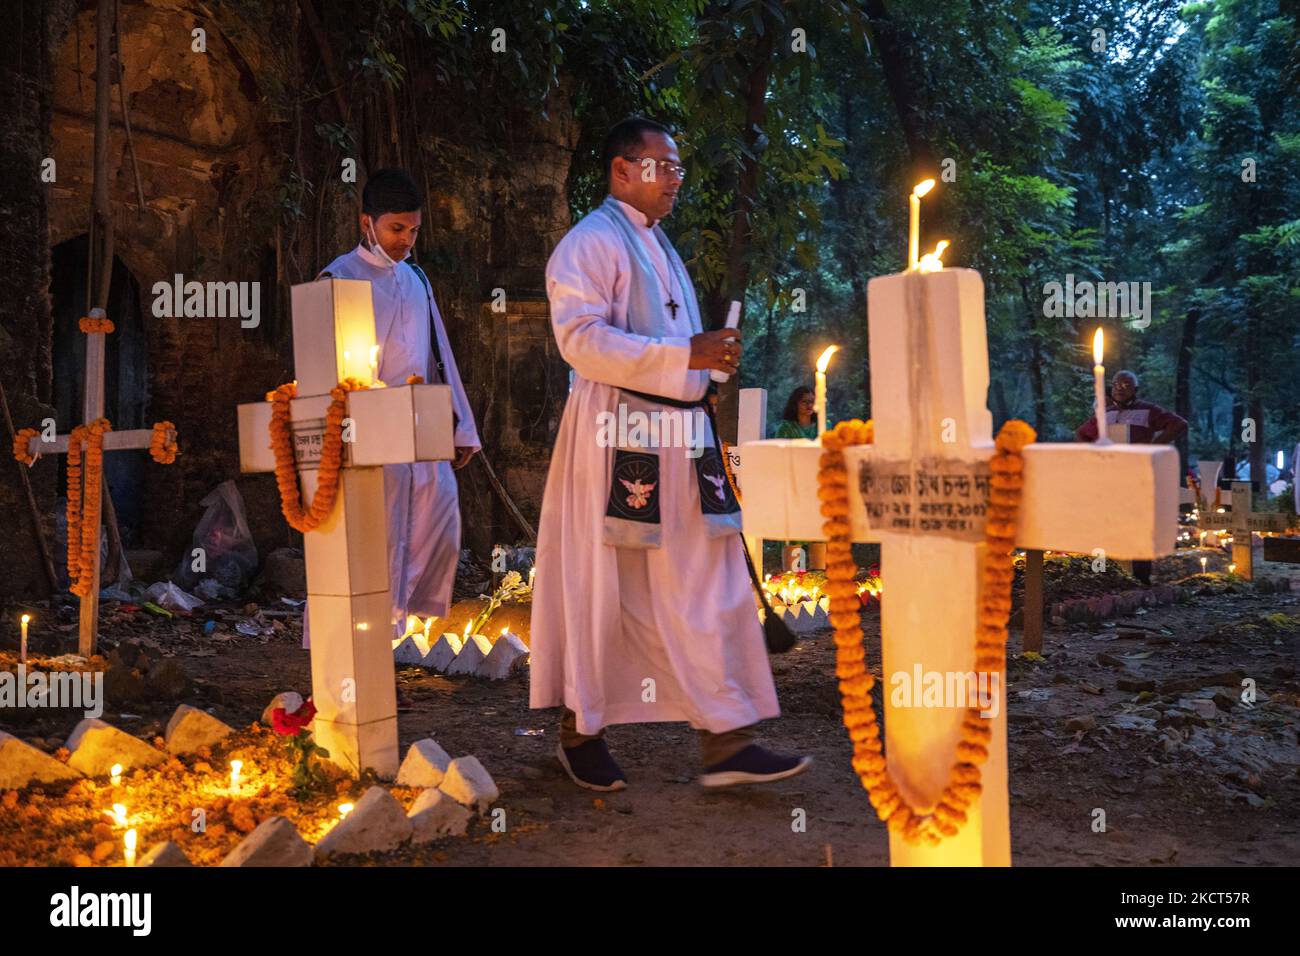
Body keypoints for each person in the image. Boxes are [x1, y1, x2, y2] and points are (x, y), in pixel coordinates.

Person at [530, 117, 811, 792]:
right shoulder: (590, 243)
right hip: (617, 442)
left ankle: (728, 740)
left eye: (680, 168)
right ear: (622, 170)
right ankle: (581, 730)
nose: (676, 179)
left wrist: (704, 373)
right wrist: (685, 356)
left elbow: (677, 347)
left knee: (706, 580)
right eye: (664, 166)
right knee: (606, 585)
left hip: (683, 439)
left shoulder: (662, 247)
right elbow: (579, 340)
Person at [313, 168, 481, 641]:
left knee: (435, 526)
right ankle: (356, 652)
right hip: (362, 434)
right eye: (396, 229)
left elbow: (438, 353)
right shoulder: (339, 276)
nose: (407, 240)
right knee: (373, 543)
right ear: (366, 222)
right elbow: (323, 364)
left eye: (414, 230)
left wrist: (460, 425)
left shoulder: (416, 280)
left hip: (418, 429)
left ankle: (395, 643)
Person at [1075, 369, 1186, 582]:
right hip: (1109, 477)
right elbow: (1081, 433)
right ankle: (1105, 573)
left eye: (1126, 385)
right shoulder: (1104, 414)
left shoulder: (1148, 410)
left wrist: (1154, 447)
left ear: (1135, 389)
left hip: (1138, 475)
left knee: (1139, 523)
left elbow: (1179, 424)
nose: (1119, 388)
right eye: (1116, 384)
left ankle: (1140, 576)